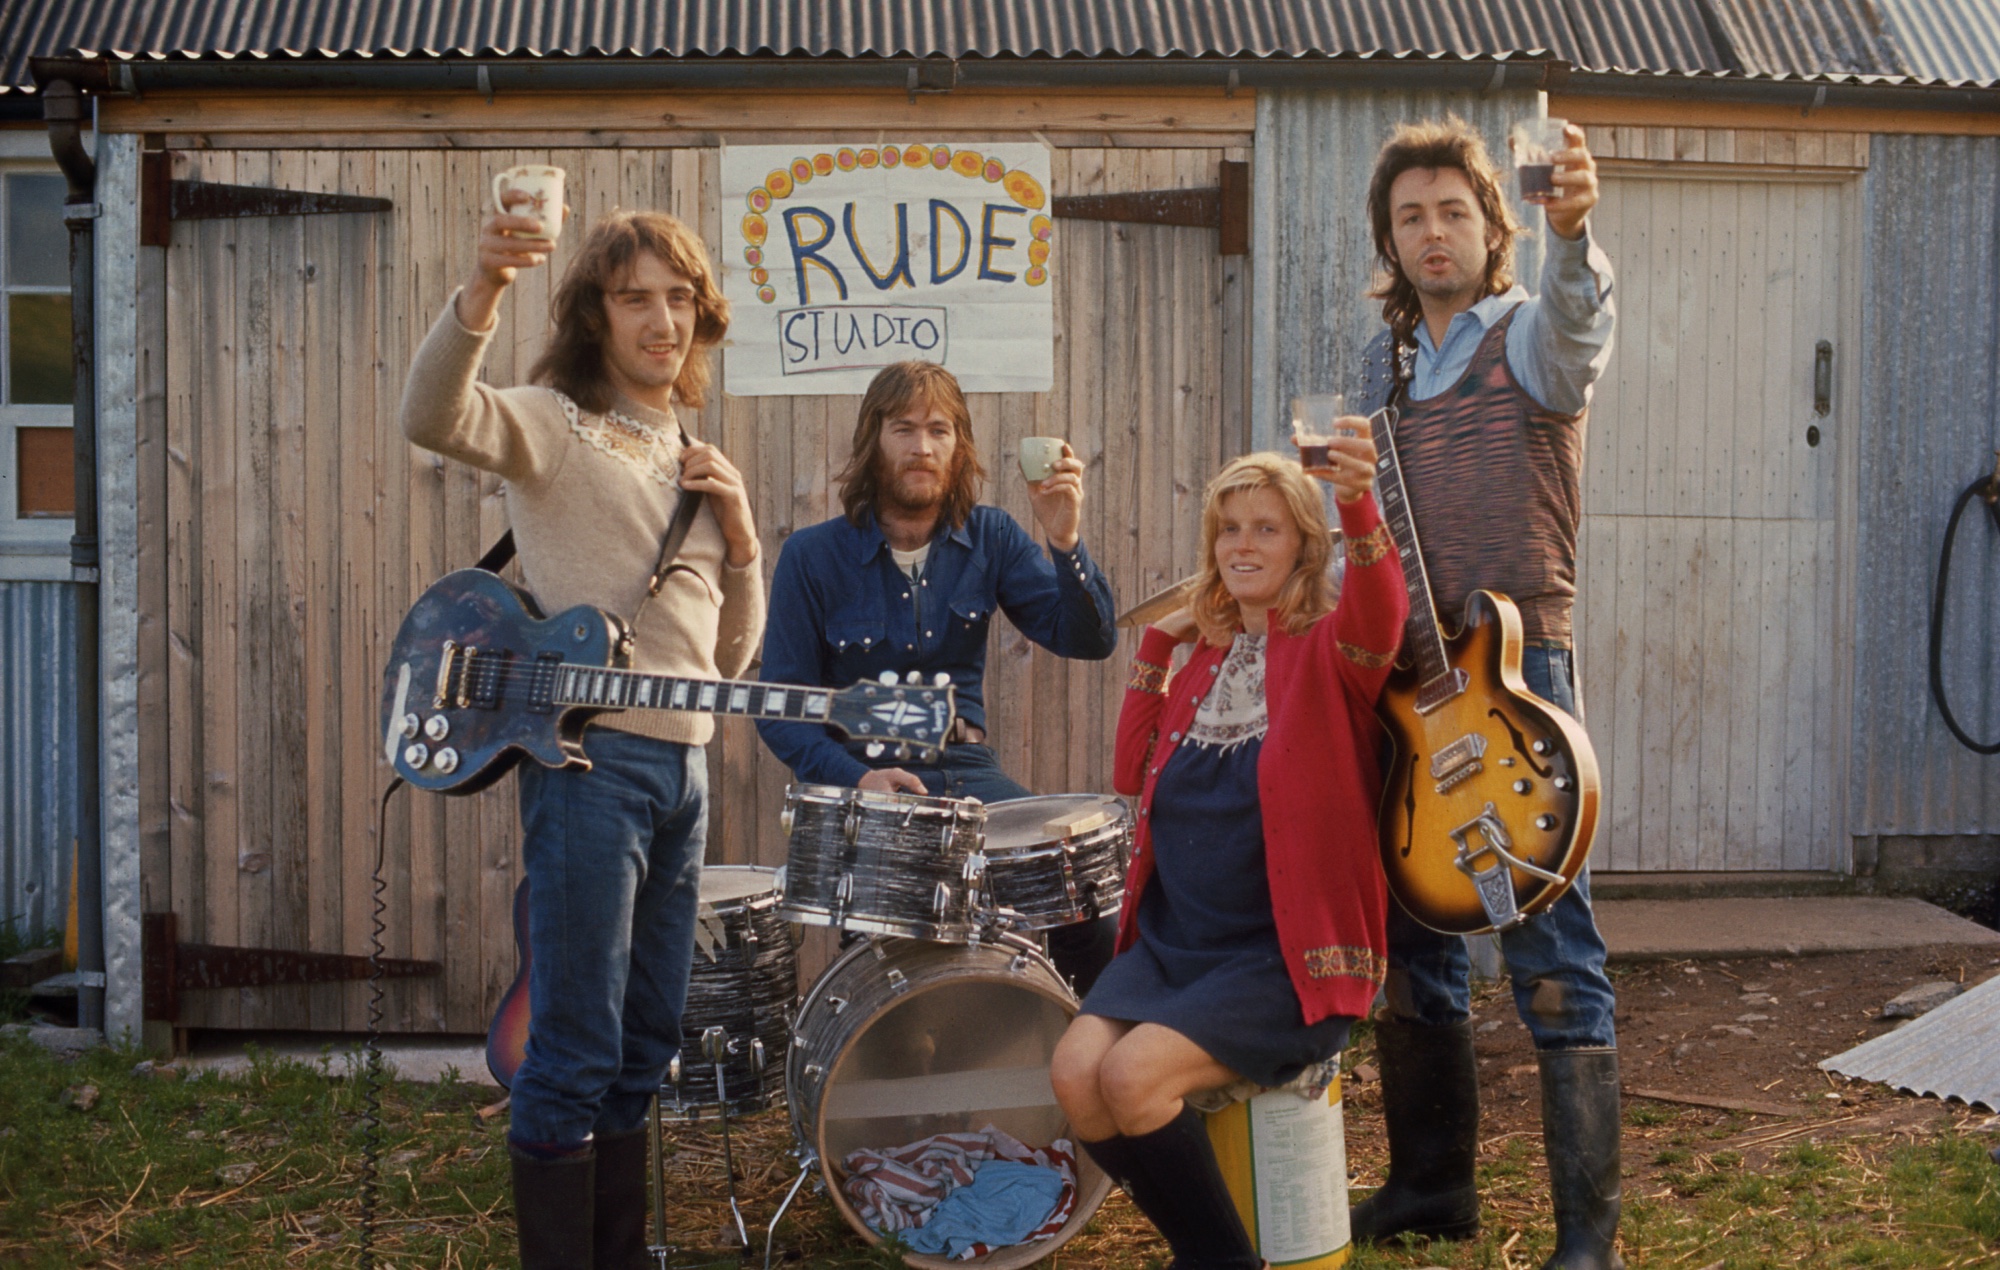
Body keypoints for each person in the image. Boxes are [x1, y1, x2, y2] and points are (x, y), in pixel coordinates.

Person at [399, 197, 765, 1269]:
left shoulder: (696, 456)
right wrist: (483, 288)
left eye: (679, 299)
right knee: (573, 1045)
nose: (661, 320)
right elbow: (431, 414)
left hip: (683, 771)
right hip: (590, 765)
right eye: (633, 298)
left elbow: (727, 668)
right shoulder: (554, 423)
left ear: (701, 317)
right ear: (594, 315)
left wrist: (740, 536)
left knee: (645, 1044)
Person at [1345, 117, 1622, 1270]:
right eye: (1408, 215)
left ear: (1487, 225)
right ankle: (1430, 1185)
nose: (1430, 232)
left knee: (1548, 943)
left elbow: (1579, 321)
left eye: (1450, 210)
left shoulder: (1527, 333)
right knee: (1416, 938)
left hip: (1516, 674)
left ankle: (1584, 1240)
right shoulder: (1381, 368)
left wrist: (1574, 229)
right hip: (1411, 684)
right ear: (1390, 239)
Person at [1049, 448, 1407, 1270]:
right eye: (1229, 530)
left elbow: (1382, 619)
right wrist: (1161, 646)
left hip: (1283, 956)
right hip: (1179, 949)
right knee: (1076, 1076)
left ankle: (1219, 1263)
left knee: (1134, 1078)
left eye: (1267, 530)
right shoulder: (1207, 661)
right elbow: (1130, 772)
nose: (1243, 545)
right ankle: (1205, 1251)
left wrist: (1359, 508)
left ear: (1302, 547)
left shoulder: (1327, 652)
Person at [755, 361, 1122, 991]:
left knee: (1082, 900)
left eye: (939, 430)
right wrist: (859, 778)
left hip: (972, 779)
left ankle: (1088, 1064)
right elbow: (781, 710)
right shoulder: (811, 557)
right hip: (872, 789)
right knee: (894, 969)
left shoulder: (992, 537)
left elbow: (1088, 640)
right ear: (874, 440)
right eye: (903, 429)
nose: (922, 447)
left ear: (959, 446)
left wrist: (1065, 541)